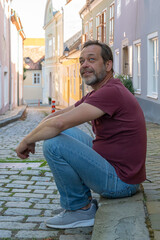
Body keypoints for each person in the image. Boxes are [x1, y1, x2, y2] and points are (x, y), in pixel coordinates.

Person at [16, 40, 147, 229]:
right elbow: (58, 116)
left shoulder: (111, 92)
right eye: (82, 61)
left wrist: (26, 140)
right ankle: (81, 205)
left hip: (121, 182)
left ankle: (80, 209)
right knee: (60, 131)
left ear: (108, 65)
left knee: (54, 144)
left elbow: (59, 122)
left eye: (91, 60)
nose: (84, 65)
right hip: (112, 167)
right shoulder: (102, 91)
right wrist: (34, 134)